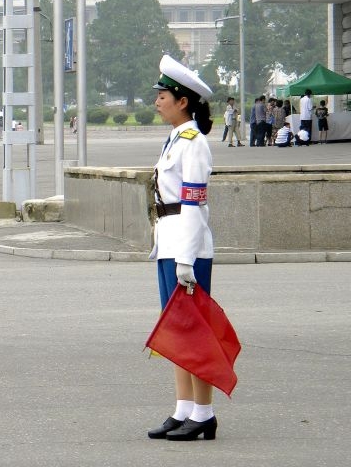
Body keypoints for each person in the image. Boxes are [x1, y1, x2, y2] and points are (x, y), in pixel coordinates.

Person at [147, 54, 218, 442]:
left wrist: (187, 258)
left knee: (195, 332)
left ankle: (204, 413)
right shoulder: (175, 139)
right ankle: (183, 409)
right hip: (169, 243)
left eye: (163, 95)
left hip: (187, 248)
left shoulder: (194, 144)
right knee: (175, 330)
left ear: (182, 101)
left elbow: (192, 203)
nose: (157, 101)